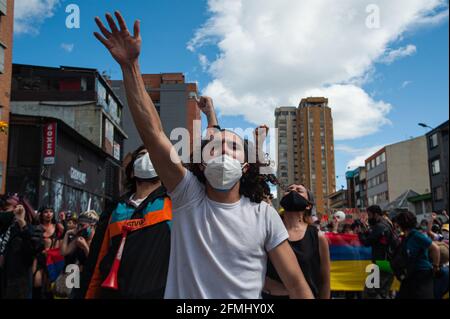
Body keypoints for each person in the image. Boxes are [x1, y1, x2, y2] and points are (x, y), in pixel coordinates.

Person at [93, 11, 313, 299]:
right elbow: (153, 133)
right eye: (213, 146)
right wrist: (131, 66)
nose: (222, 151)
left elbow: (296, 285)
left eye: (232, 146)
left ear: (246, 166)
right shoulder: (186, 196)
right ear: (200, 162)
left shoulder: (264, 215)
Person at [79, 146, 172, 299]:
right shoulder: (115, 209)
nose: (147, 158)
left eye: (153, 153)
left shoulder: (174, 205)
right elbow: (97, 261)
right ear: (132, 170)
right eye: (142, 155)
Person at [263, 184, 331, 299]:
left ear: (308, 205)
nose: (293, 191)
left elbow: (324, 281)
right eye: (289, 190)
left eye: (299, 191)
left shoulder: (318, 237)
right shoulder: (268, 231)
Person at [0, 194, 43, 299]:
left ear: (18, 209)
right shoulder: (4, 228)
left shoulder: (32, 229)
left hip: (17, 285)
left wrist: (22, 223)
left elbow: (33, 249)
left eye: (5, 209)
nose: (1, 212)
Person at [394, 211, 440, 299]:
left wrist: (435, 266)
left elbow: (435, 248)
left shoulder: (416, 235)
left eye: (398, 223)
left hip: (422, 274)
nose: (397, 226)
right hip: (411, 274)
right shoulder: (406, 237)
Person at [357, 205, 396, 299]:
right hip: (386, 261)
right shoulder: (386, 224)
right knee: (382, 291)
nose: (369, 218)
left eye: (370, 215)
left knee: (371, 291)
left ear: (376, 214)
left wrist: (360, 233)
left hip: (382, 262)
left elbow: (367, 242)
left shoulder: (380, 226)